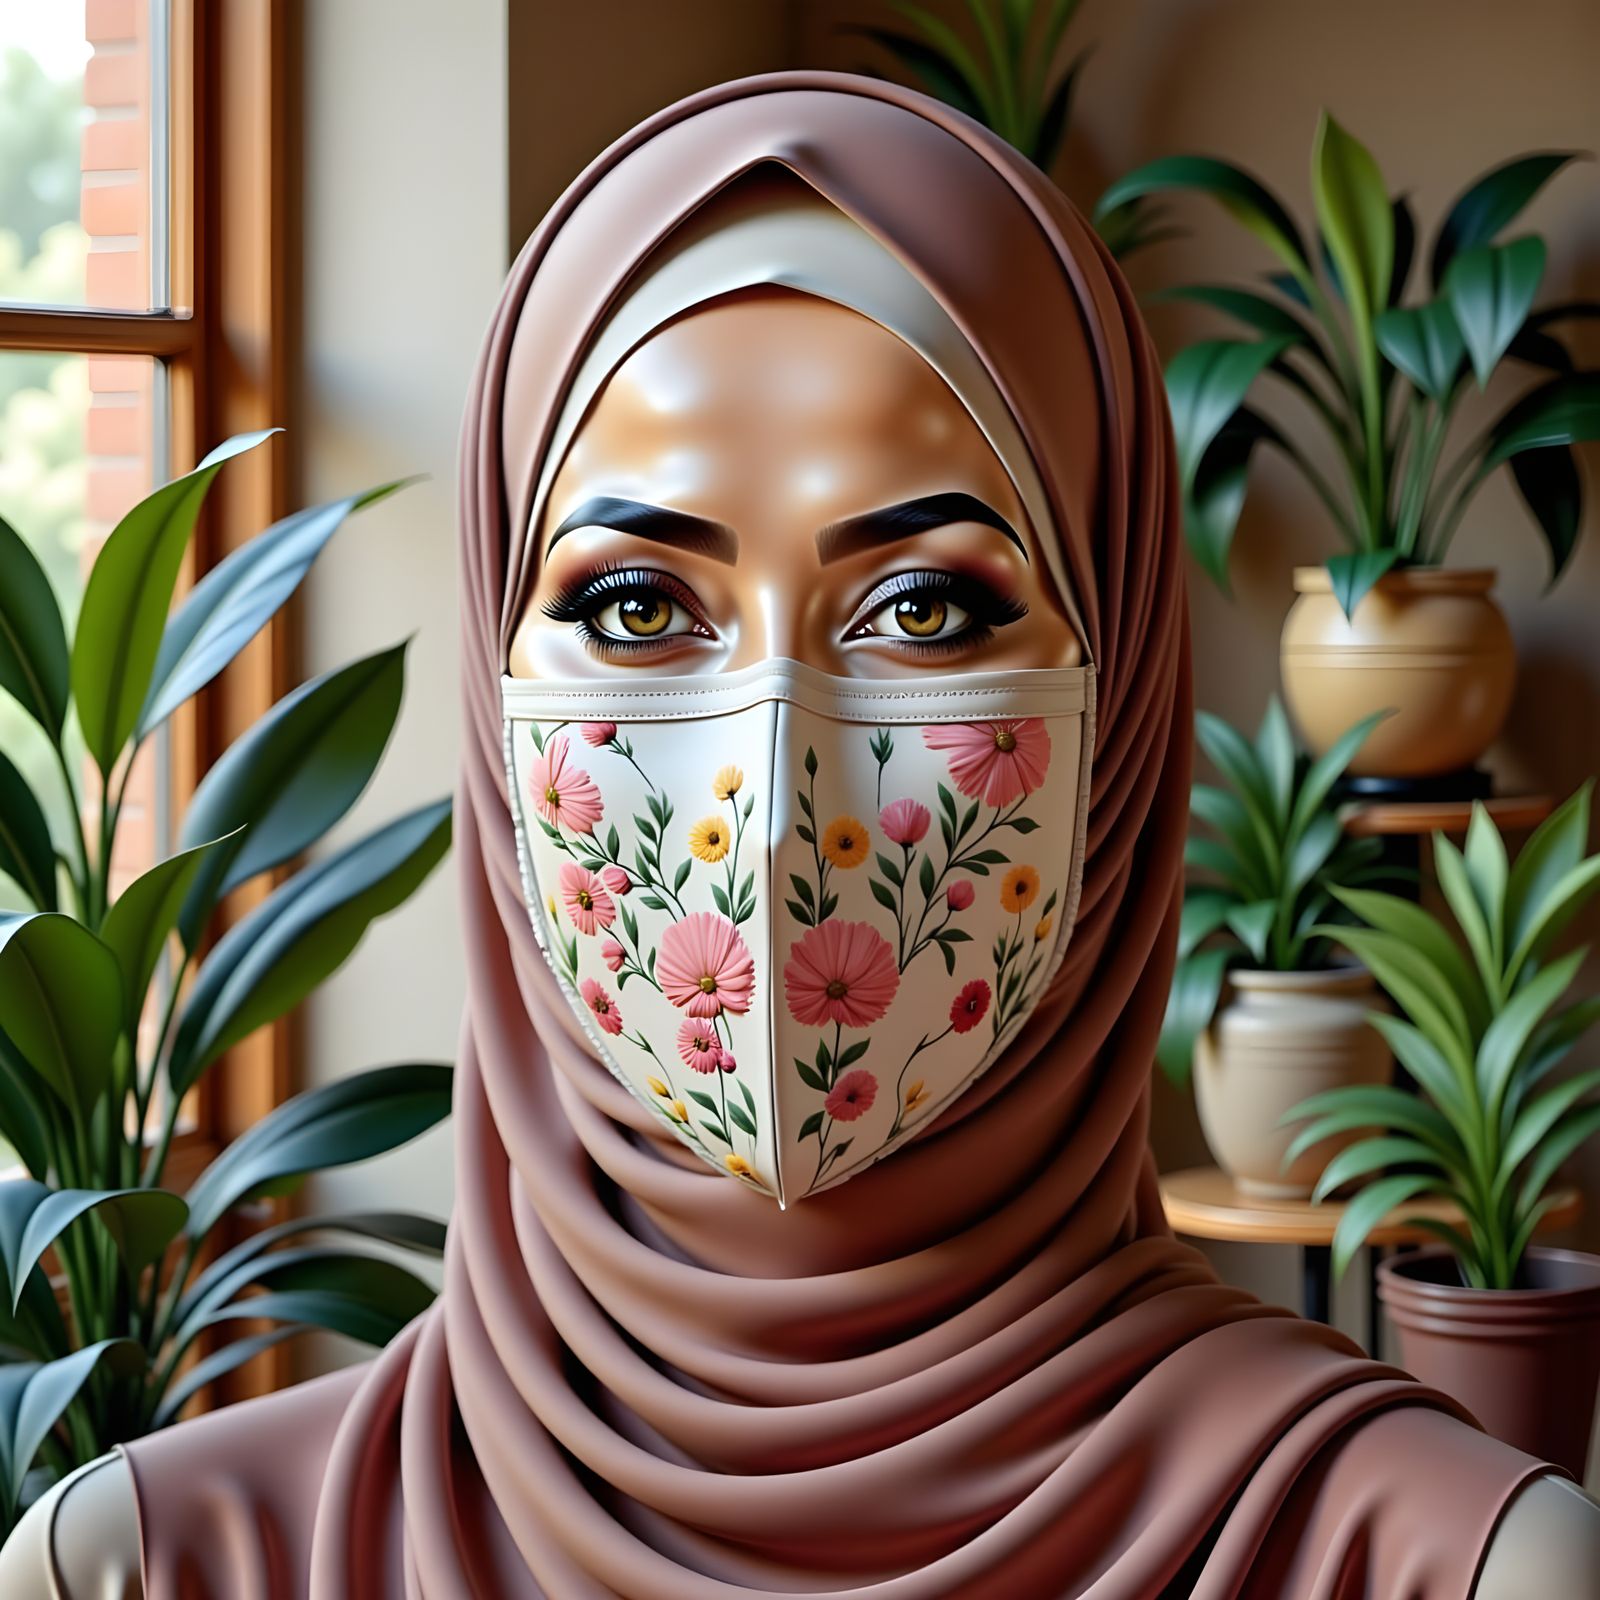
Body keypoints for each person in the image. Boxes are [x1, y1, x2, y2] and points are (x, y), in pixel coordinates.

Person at [4, 70, 1596, 1600]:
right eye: (635, 606)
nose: (768, 826)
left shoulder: (1441, 1565)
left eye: (925, 606)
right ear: (499, 706)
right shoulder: (149, 1565)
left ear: (1118, 704)